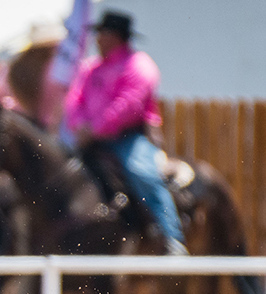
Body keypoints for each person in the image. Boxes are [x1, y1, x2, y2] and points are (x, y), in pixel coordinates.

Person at [64, 9, 187, 255]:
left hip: (127, 138)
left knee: (141, 172)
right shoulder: (91, 68)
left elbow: (127, 106)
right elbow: (74, 99)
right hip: (92, 139)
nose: (97, 40)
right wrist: (79, 124)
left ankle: (172, 237)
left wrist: (95, 129)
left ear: (116, 37)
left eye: (102, 34)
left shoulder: (139, 66)